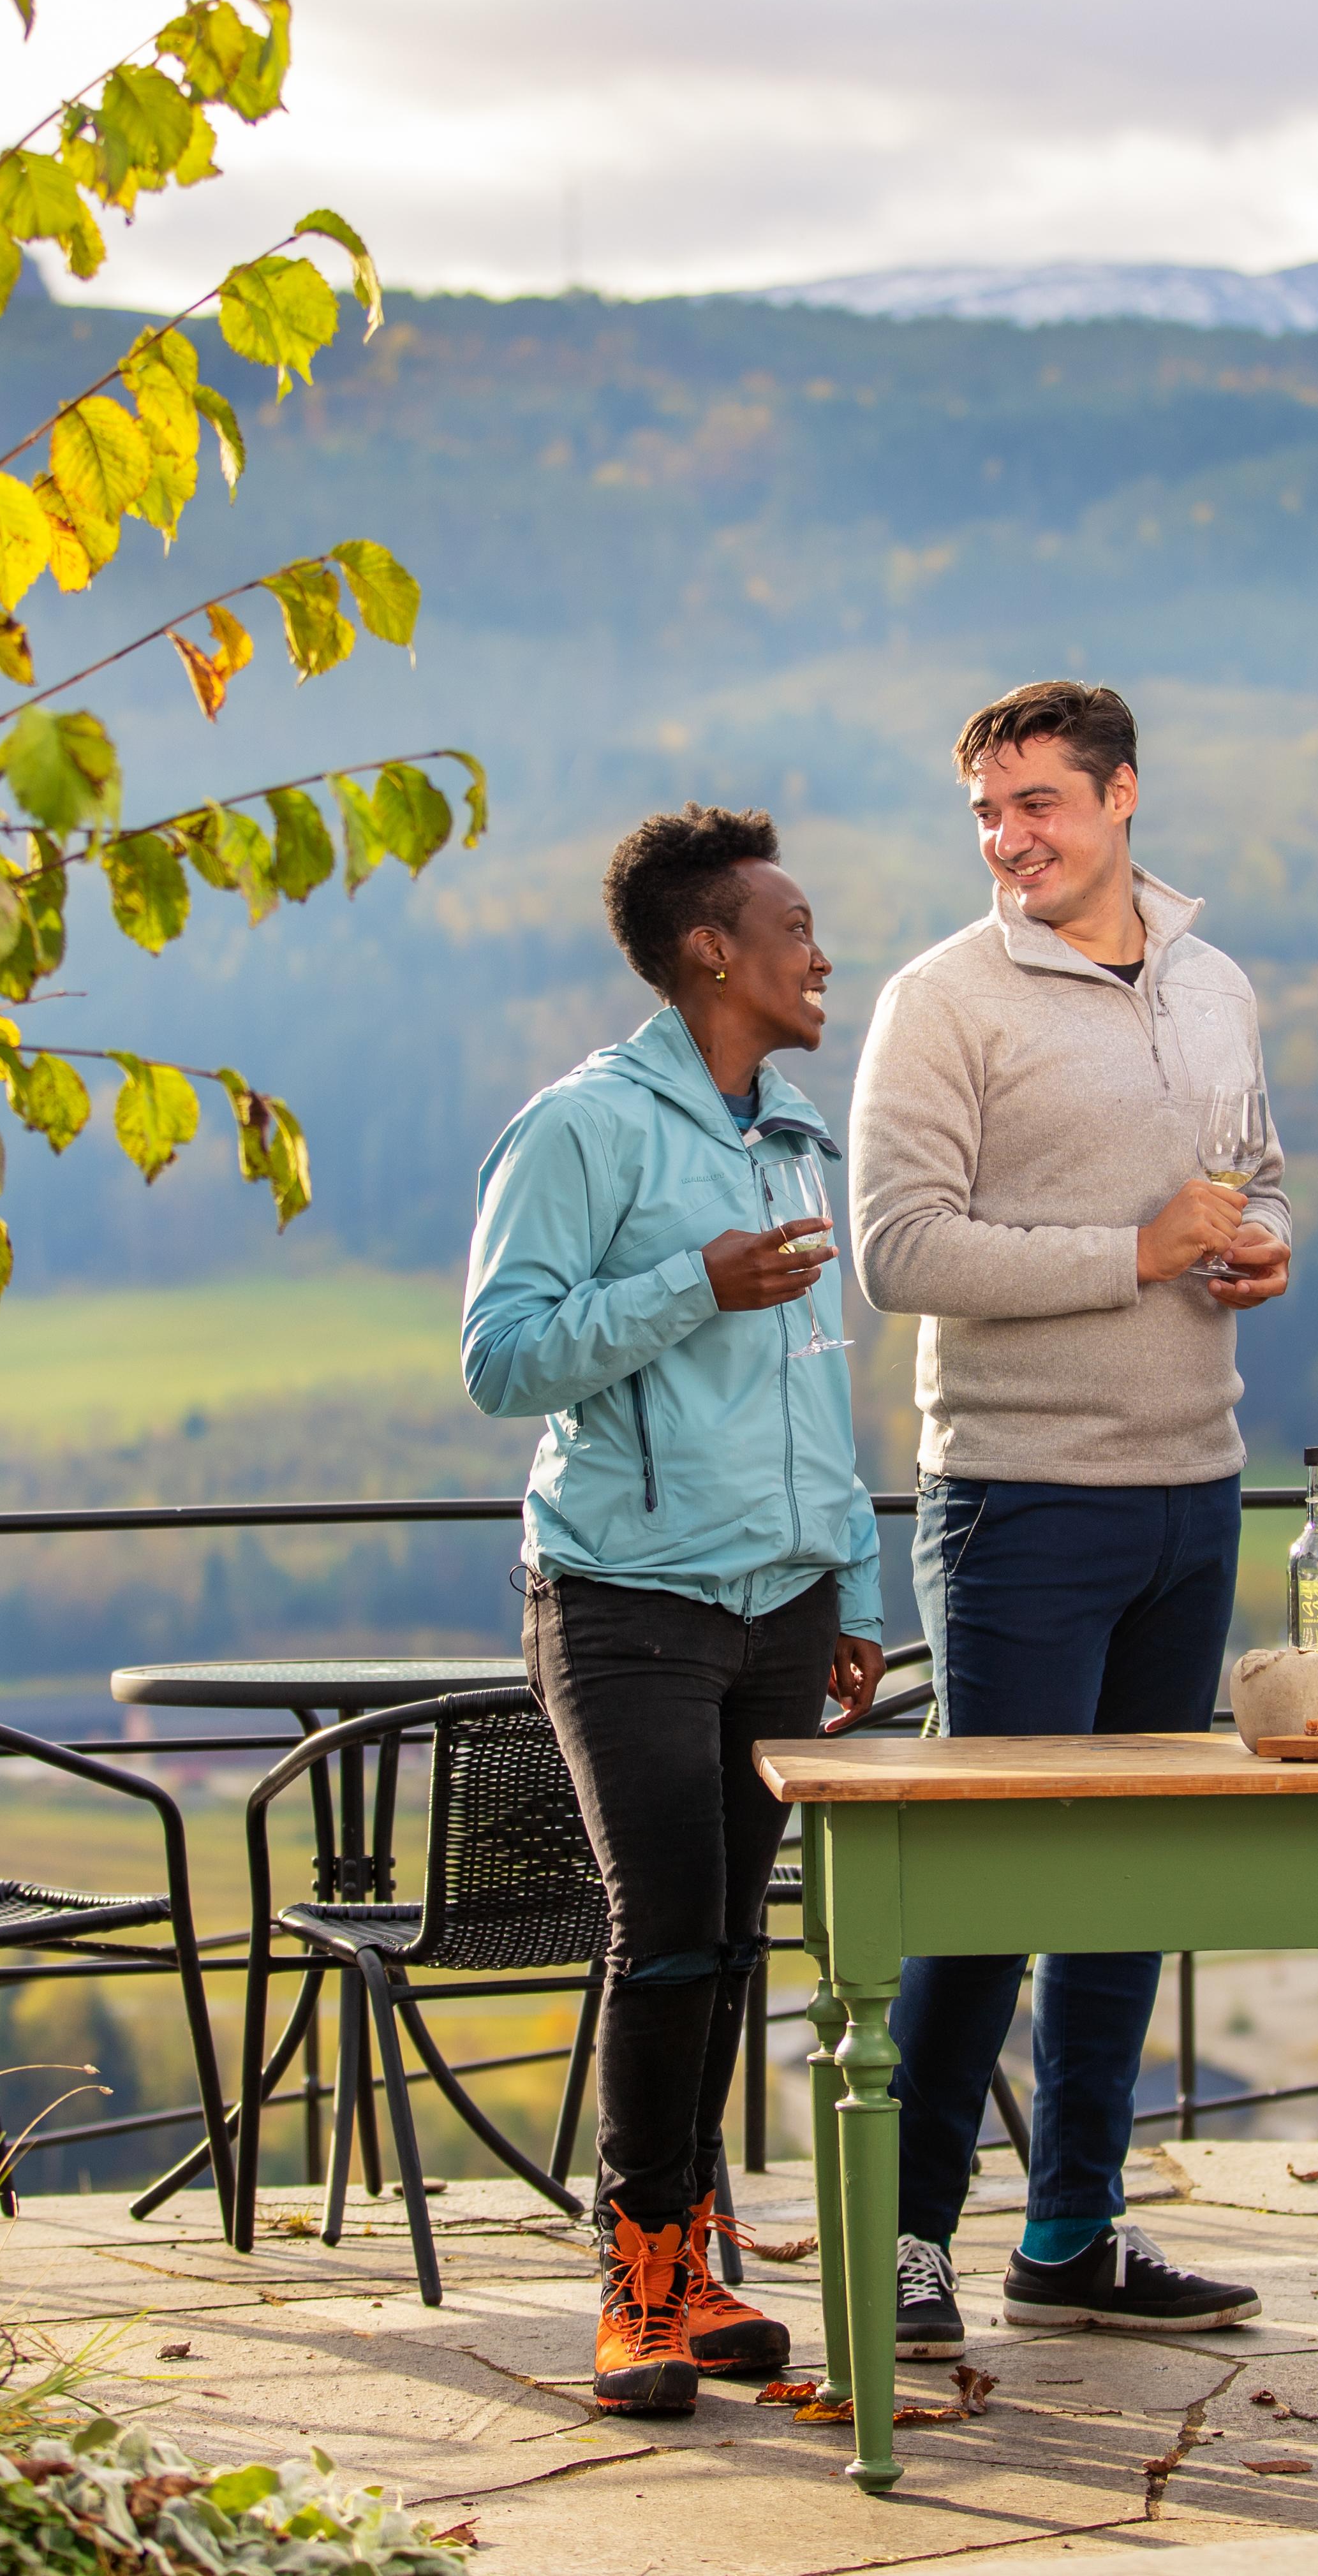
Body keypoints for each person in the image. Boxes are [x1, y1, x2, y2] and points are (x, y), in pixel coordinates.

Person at [848, 680, 1291, 2360]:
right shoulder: (939, 1003)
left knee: (1125, 1889)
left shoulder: (1215, 980)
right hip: (1021, 1503)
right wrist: (1141, 1251)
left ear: (1122, 798)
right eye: (986, 811)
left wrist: (1263, 1244)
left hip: (1198, 1489)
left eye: (1038, 802)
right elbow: (901, 1253)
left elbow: (1252, 1177)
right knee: (982, 1892)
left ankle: (1076, 2233)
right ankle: (903, 2245)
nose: (1008, 838)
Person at [461, 806, 892, 2418]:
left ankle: (698, 2249)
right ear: (712, 949)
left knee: (724, 1948)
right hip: (624, 1594)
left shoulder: (791, 1127)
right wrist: (689, 1283)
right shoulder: (580, 1128)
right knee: (665, 1937)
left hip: (781, 1600)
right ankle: (633, 2273)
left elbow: (816, 1383)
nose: (820, 951)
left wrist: (842, 1573)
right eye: (794, 925)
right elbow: (502, 1358)